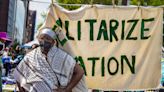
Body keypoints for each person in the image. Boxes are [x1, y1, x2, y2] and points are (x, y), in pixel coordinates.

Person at [14, 28, 88, 92]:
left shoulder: (62, 56)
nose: (44, 41)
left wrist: (66, 90)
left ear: (53, 42)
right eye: (42, 38)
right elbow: (19, 73)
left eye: (47, 39)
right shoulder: (30, 56)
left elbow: (80, 71)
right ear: (38, 40)